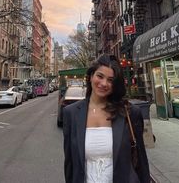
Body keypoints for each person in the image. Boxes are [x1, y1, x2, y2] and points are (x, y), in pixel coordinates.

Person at [63, 54, 150, 183]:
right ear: (91, 76)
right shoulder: (71, 113)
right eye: (100, 76)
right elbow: (70, 164)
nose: (104, 83)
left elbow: (141, 161)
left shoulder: (130, 113)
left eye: (110, 80)